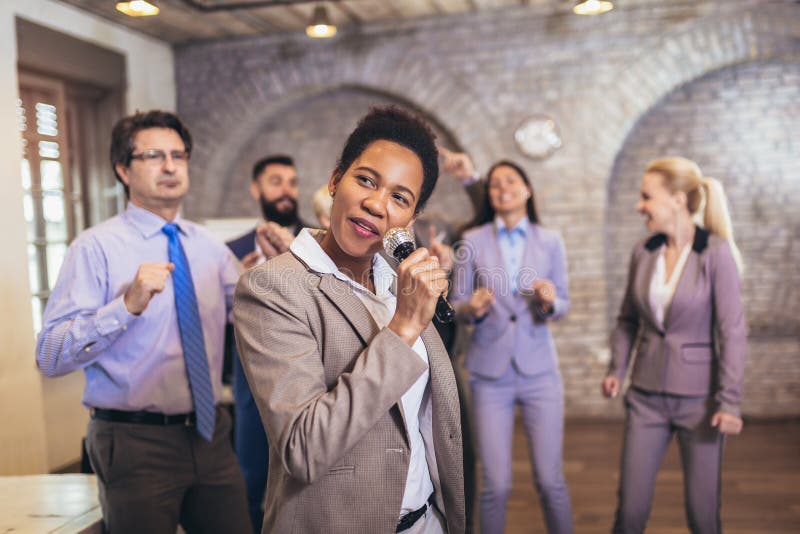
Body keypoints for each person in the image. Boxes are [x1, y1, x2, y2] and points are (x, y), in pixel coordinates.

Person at [234, 106, 465, 533]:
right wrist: (404, 328)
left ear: (409, 220)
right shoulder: (272, 287)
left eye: (399, 197)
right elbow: (304, 449)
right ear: (336, 180)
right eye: (366, 180)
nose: (377, 204)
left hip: (427, 521)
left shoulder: (397, 280)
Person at [36, 110, 252, 533]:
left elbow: (252, 318)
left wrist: (269, 278)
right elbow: (50, 355)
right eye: (154, 155)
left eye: (179, 155)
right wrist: (126, 306)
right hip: (135, 443)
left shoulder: (208, 247)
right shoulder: (94, 248)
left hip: (212, 435)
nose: (170, 166)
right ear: (123, 169)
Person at [602, 157, 746, 534]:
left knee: (703, 517)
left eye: (646, 197)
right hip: (645, 399)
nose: (639, 205)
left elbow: (732, 330)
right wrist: (617, 369)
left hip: (700, 404)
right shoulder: (643, 251)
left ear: (678, 200)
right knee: (629, 513)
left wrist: (729, 400)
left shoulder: (715, 253)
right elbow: (627, 320)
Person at [451, 160, 574, 534]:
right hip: (490, 373)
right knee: (496, 485)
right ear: (488, 195)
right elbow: (456, 303)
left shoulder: (550, 240)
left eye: (511, 181)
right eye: (494, 185)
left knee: (550, 481)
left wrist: (549, 300)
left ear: (527, 189)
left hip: (540, 372)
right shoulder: (471, 241)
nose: (502, 188)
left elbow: (563, 302)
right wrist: (471, 308)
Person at [225, 153, 312, 531]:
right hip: (249, 381)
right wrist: (238, 292)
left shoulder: (316, 243)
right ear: (255, 189)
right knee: (251, 475)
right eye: (275, 181)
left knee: (304, 478)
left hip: (307, 373)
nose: (286, 191)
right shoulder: (230, 250)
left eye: (291, 182)